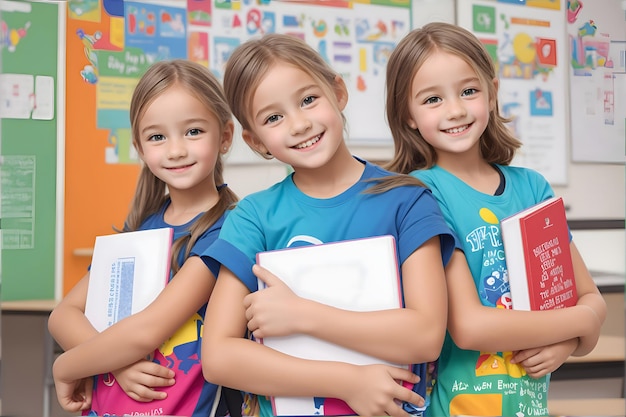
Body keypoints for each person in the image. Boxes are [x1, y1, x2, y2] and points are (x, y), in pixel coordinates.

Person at [200, 33, 458, 417]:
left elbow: (425, 336)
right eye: (274, 117)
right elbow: (219, 357)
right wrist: (346, 382)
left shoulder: (407, 199)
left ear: (337, 92)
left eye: (308, 100)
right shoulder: (253, 216)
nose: (300, 124)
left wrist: (302, 314)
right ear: (256, 141)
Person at [384, 22, 606, 417]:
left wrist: (568, 343)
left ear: (492, 93)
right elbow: (470, 327)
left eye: (468, 91)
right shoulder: (420, 193)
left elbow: (590, 298)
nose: (455, 110)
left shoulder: (532, 187)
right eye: (432, 99)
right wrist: (581, 322)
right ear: (408, 115)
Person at [48, 59, 241, 417]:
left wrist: (67, 366)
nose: (176, 150)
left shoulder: (230, 228)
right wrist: (118, 366)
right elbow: (63, 315)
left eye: (193, 131)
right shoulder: (142, 226)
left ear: (225, 136)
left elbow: (146, 332)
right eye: (157, 137)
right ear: (140, 146)